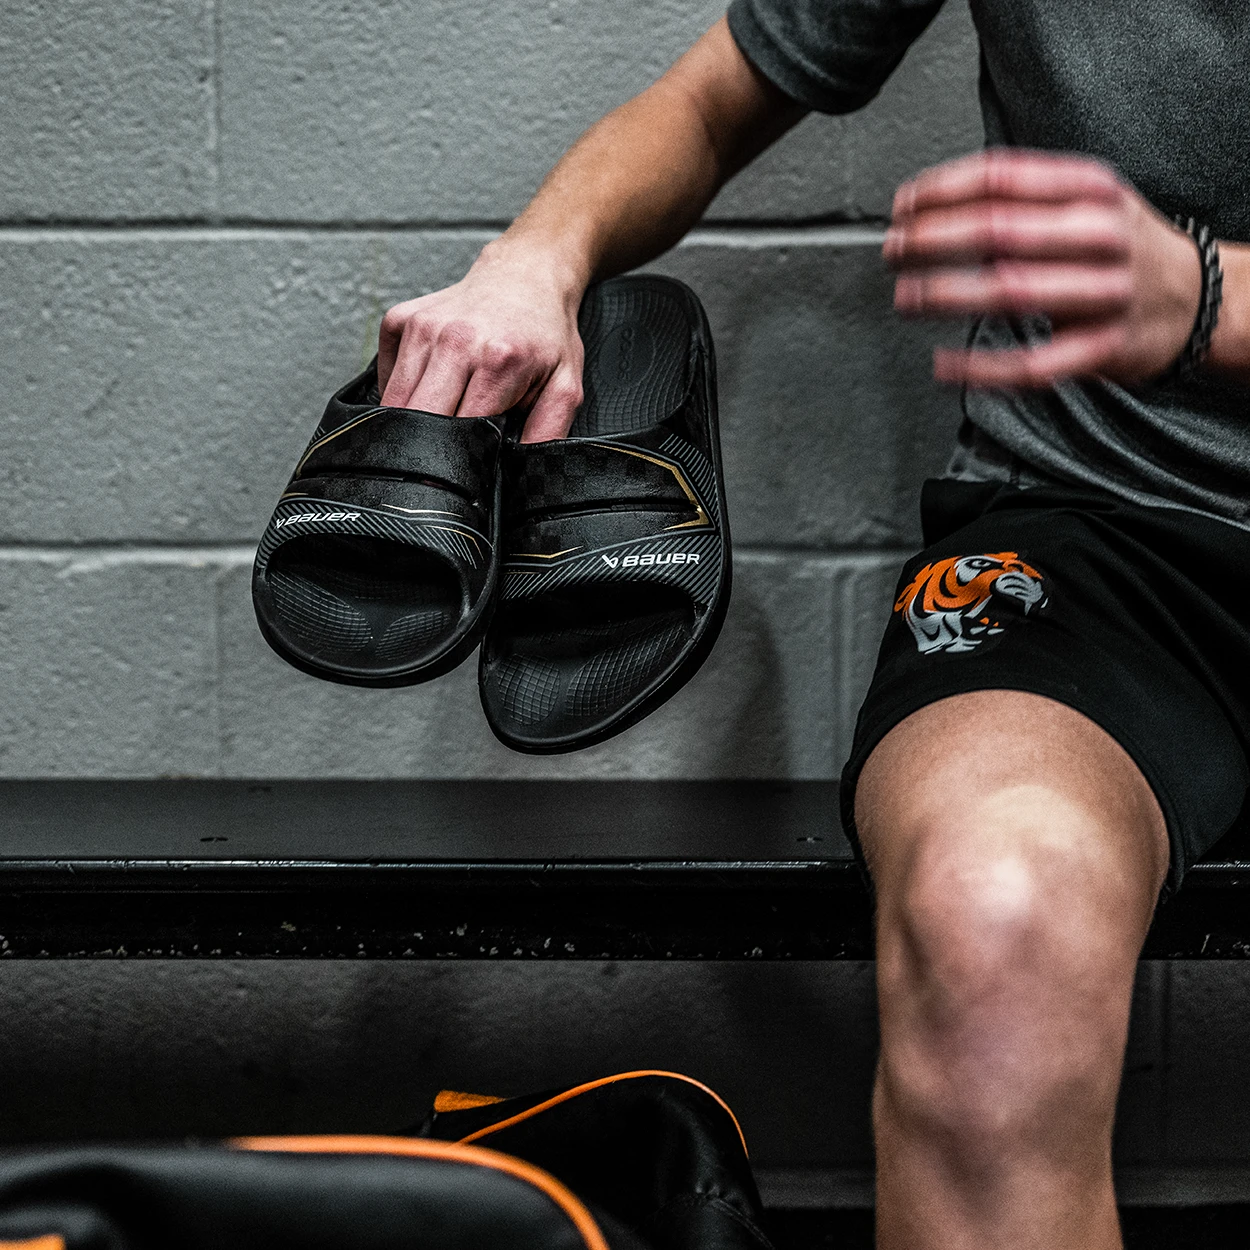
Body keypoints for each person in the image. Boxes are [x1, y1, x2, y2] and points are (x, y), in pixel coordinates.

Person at [376, 4, 1250, 1247]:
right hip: (1105, 546)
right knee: (989, 914)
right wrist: (538, 258)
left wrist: (1214, 298)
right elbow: (707, 100)